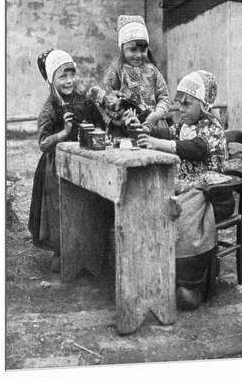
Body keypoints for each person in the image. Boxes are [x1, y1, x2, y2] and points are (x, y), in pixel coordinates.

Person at [128, 70, 234, 309]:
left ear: (204, 105)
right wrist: (146, 130)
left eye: (187, 104)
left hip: (213, 191)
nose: (181, 109)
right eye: (179, 103)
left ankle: (191, 281)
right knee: (157, 201)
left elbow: (193, 149)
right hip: (188, 185)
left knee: (185, 214)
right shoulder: (185, 125)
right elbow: (167, 133)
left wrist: (158, 144)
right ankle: (162, 269)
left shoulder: (211, 127)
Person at [28, 49, 104, 272]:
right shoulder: (50, 108)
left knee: (85, 204)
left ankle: (86, 251)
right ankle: (62, 251)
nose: (69, 81)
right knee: (60, 208)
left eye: (72, 74)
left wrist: (96, 131)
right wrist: (64, 132)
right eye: (62, 76)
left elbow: (99, 124)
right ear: (52, 79)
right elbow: (43, 143)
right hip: (56, 167)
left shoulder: (84, 101)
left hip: (83, 161)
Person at [90, 15, 171, 135]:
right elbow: (105, 101)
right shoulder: (115, 71)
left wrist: (156, 115)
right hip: (124, 129)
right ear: (122, 48)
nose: (138, 55)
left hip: (151, 127)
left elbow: (164, 97)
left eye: (143, 50)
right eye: (133, 50)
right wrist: (118, 120)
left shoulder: (152, 71)